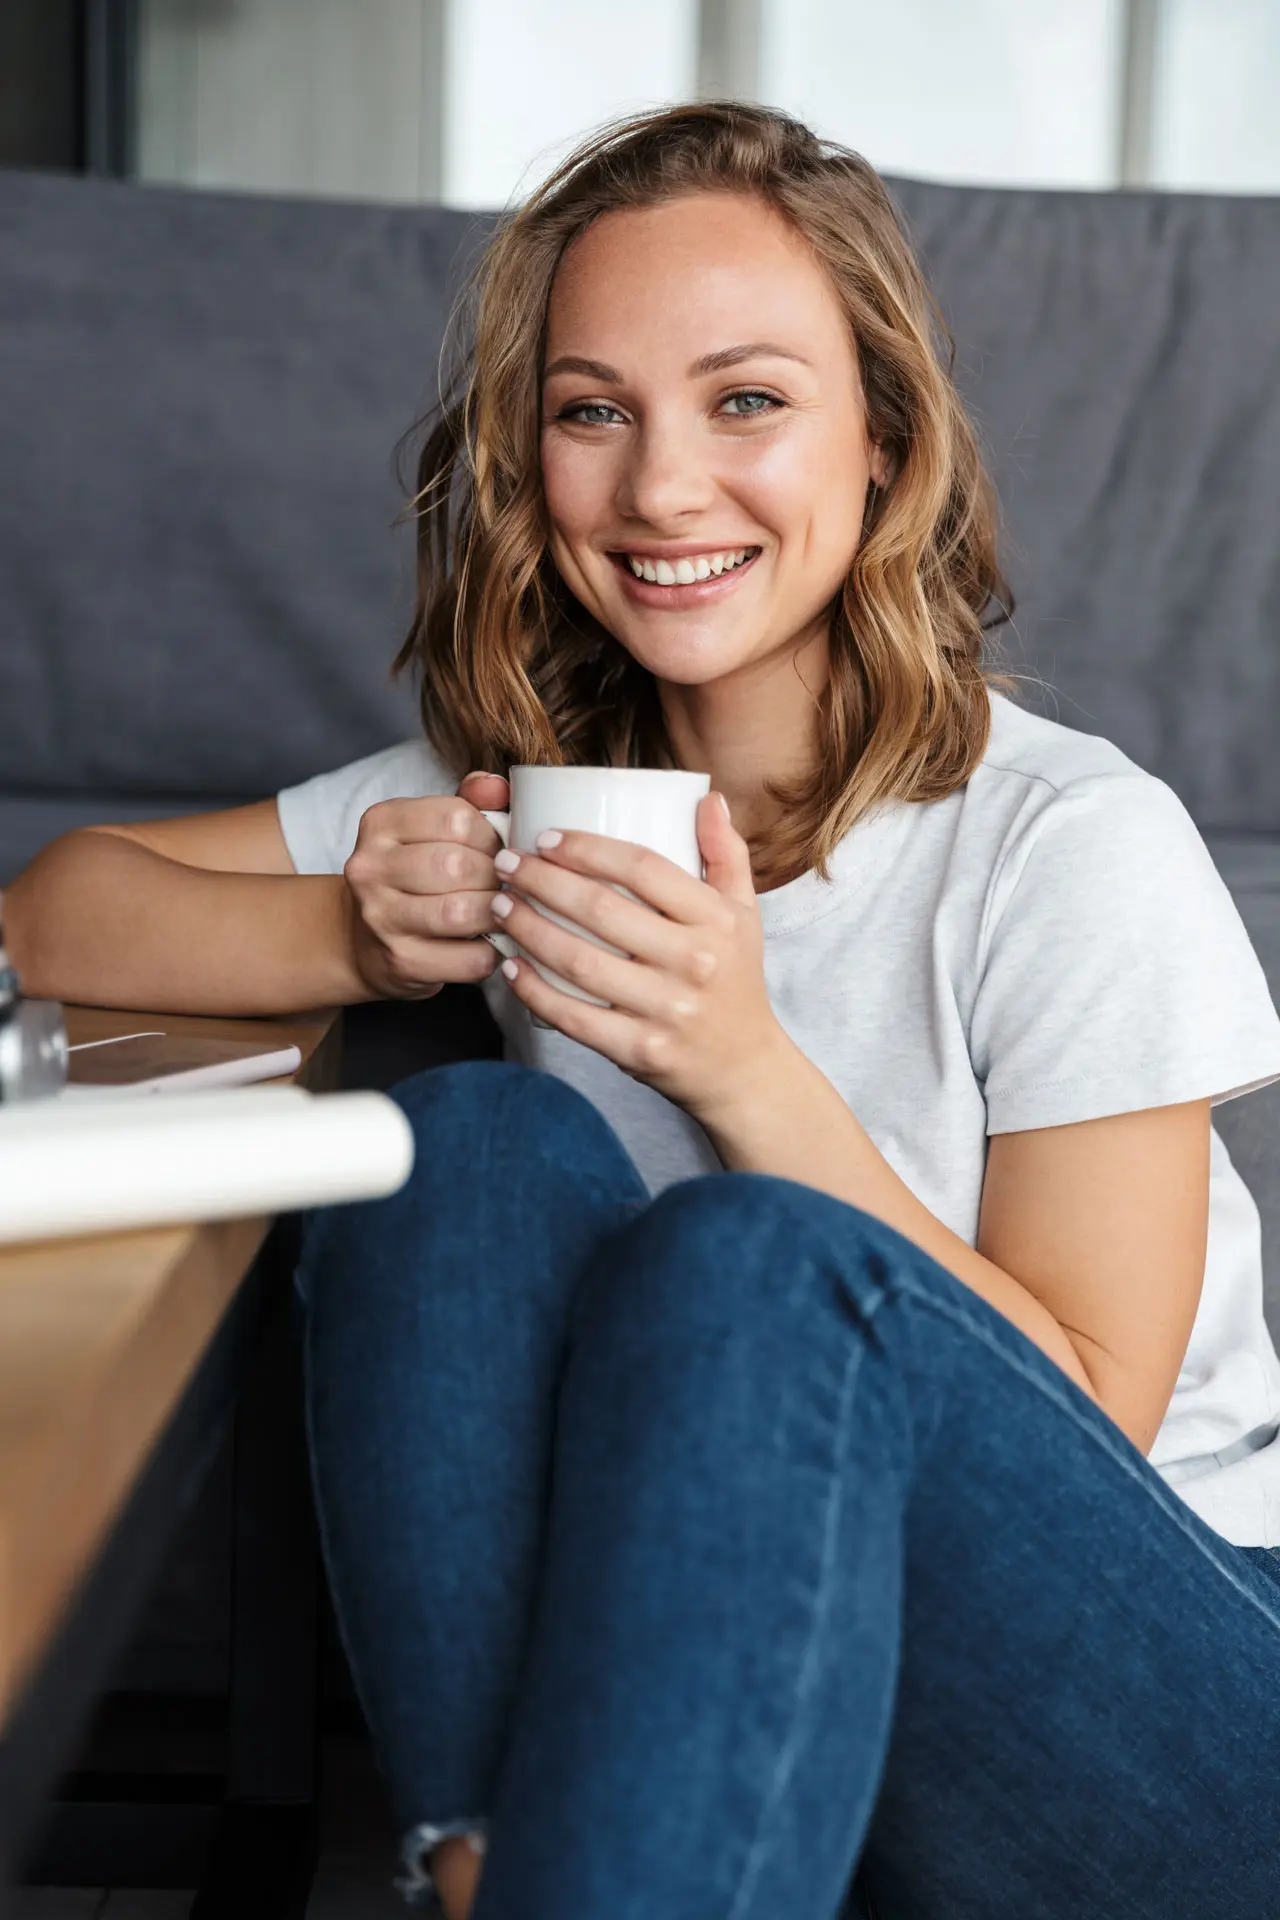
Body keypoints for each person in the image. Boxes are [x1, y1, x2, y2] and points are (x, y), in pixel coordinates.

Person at [9, 100, 1280, 1919]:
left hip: (1184, 1678)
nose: (664, 490)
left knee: (747, 1262)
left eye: (747, 400)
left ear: (885, 437)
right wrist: (358, 936)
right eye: (593, 411)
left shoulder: (1069, 842)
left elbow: (1088, 1418)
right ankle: (496, 1880)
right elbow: (53, 917)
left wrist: (740, 1066)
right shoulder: (528, 791)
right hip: (733, 1677)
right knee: (451, 1142)